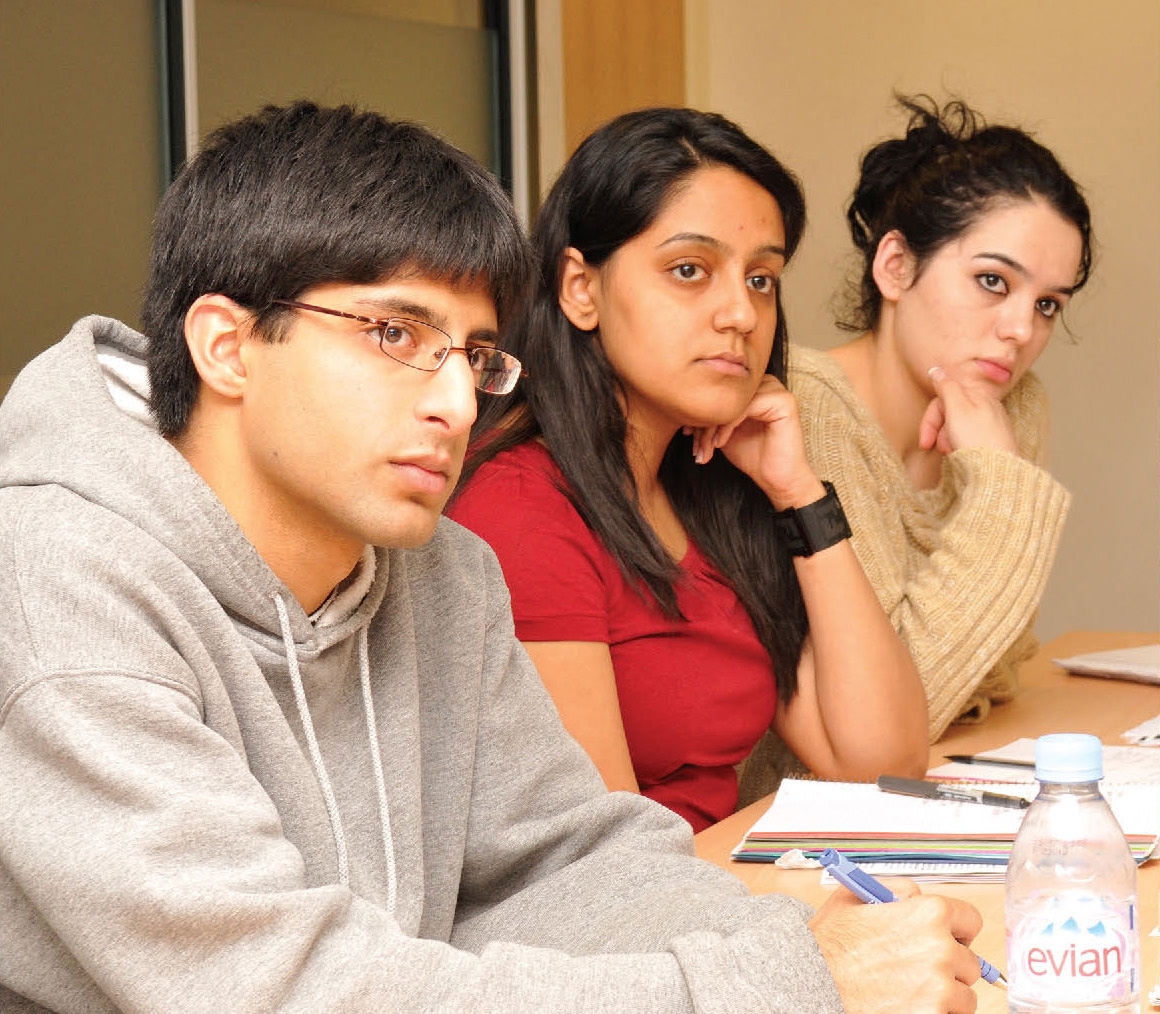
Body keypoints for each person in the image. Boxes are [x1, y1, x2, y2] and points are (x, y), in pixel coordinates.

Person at [0, 100, 982, 1014]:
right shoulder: (64, 587)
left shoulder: (440, 573)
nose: (457, 404)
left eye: (472, 356)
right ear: (226, 346)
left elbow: (566, 860)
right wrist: (789, 988)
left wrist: (803, 947)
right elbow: (272, 986)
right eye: (394, 333)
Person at [448, 107, 927, 833]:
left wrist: (800, 495)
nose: (740, 312)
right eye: (689, 270)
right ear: (581, 288)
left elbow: (882, 765)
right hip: (645, 926)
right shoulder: (519, 509)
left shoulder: (706, 486)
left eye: (761, 278)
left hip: (718, 895)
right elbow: (606, 860)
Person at [786, 95, 1091, 739]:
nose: (1019, 330)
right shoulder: (806, 407)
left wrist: (970, 673)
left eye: (1047, 305)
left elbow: (1001, 660)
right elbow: (894, 712)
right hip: (792, 813)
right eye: (992, 281)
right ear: (896, 267)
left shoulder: (1014, 405)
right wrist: (1001, 483)